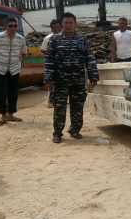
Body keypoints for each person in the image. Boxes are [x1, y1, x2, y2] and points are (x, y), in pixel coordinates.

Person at [44, 12, 98, 143]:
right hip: (60, 81)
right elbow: (49, 61)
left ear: (75, 24)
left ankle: (75, 130)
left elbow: (89, 58)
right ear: (62, 25)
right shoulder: (54, 40)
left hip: (78, 80)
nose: (68, 25)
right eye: (65, 23)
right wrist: (48, 79)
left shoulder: (82, 39)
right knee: (59, 108)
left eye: (70, 23)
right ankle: (57, 133)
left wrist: (93, 75)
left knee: (77, 107)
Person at [0, 17, 28, 126]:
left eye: (15, 26)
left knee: (13, 92)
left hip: (14, 68)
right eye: (10, 26)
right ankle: (3, 115)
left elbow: (24, 52)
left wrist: (21, 62)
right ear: (5, 27)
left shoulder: (21, 39)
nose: (13, 28)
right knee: (0, 92)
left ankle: (11, 114)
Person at [41, 19, 62, 108]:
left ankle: (61, 99)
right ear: (52, 29)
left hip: (63, 64)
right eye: (54, 27)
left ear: (61, 27)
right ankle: (51, 101)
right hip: (53, 64)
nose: (57, 28)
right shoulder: (47, 38)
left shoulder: (64, 36)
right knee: (52, 83)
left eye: (58, 26)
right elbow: (43, 50)